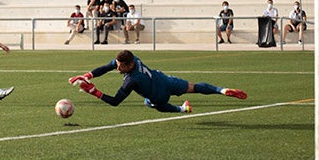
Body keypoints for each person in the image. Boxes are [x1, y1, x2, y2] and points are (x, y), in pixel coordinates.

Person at [68, 49, 247, 113]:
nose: (118, 68)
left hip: (158, 95)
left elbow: (115, 102)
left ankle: (182, 109)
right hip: (164, 79)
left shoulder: (132, 80)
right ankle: (221, 90)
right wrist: (87, 76)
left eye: (121, 67)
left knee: (152, 104)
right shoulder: (133, 58)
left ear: (129, 65)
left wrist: (93, 91)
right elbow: (106, 67)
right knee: (194, 87)